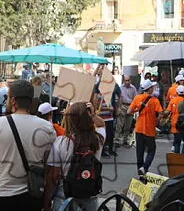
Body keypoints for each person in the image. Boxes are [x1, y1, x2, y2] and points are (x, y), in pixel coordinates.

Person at [0, 80, 56, 211]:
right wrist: (47, 202)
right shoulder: (47, 127)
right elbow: (49, 169)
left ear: (13, 100)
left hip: (3, 194)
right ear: (31, 101)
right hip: (32, 195)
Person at [44, 102, 105, 211]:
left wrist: (46, 203)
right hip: (90, 194)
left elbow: (53, 177)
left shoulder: (61, 142)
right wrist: (93, 115)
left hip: (66, 195)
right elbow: (101, 125)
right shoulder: (98, 140)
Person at [127, 80, 163, 175]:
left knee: (140, 151)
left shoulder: (137, 98)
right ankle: (145, 167)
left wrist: (137, 109)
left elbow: (128, 111)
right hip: (149, 129)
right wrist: (156, 121)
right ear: (149, 89)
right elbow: (160, 113)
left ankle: (140, 170)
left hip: (139, 128)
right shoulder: (155, 100)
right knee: (151, 150)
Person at [115, 75, 138, 147]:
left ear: (130, 80)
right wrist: (118, 107)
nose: (127, 82)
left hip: (130, 106)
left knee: (128, 125)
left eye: (128, 80)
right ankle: (116, 140)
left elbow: (135, 98)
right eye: (126, 80)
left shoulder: (133, 88)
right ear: (123, 81)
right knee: (119, 124)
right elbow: (118, 98)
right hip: (122, 106)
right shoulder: (120, 88)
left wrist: (134, 108)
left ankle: (125, 140)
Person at [165, 85, 184, 153]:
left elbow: (167, 111)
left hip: (175, 124)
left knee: (177, 142)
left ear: (177, 92)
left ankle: (177, 158)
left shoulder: (173, 100)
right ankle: (183, 157)